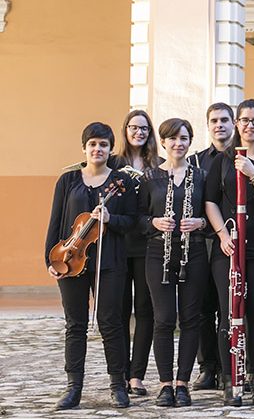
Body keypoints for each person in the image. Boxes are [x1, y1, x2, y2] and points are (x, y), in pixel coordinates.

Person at [45, 123, 137, 410]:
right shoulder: (68, 180)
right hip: (70, 259)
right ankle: (73, 387)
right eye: (93, 144)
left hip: (109, 262)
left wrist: (111, 219)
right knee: (75, 324)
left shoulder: (122, 182)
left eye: (104, 145)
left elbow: (133, 222)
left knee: (111, 323)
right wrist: (50, 258)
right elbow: (56, 220)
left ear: (111, 149)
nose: (98, 149)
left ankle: (117, 385)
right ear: (84, 148)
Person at [204, 99, 254, 405]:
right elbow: (210, 201)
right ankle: (230, 379)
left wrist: (253, 173)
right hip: (228, 249)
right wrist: (222, 235)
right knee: (228, 316)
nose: (249, 126)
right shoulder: (222, 159)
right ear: (237, 124)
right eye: (244, 120)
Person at [138, 119, 210, 408]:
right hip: (158, 253)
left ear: (190, 141)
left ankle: (183, 383)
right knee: (164, 318)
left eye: (184, 138)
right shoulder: (149, 177)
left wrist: (201, 222)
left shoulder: (201, 175)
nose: (178, 143)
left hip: (193, 252)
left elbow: (212, 211)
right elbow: (137, 218)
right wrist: (153, 221)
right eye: (172, 138)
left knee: (192, 318)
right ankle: (165, 384)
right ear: (163, 142)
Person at [114, 109, 161, 398]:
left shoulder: (157, 166)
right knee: (118, 311)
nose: (139, 132)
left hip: (146, 246)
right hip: (119, 245)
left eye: (144, 128)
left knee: (145, 311)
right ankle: (118, 372)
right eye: (133, 127)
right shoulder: (112, 162)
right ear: (126, 130)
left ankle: (136, 375)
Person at [189, 102, 234, 392]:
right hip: (200, 244)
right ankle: (207, 368)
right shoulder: (195, 162)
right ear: (208, 126)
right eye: (214, 120)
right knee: (203, 309)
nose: (219, 125)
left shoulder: (240, 158)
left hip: (227, 244)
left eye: (224, 120)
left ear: (233, 124)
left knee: (228, 308)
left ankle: (229, 367)